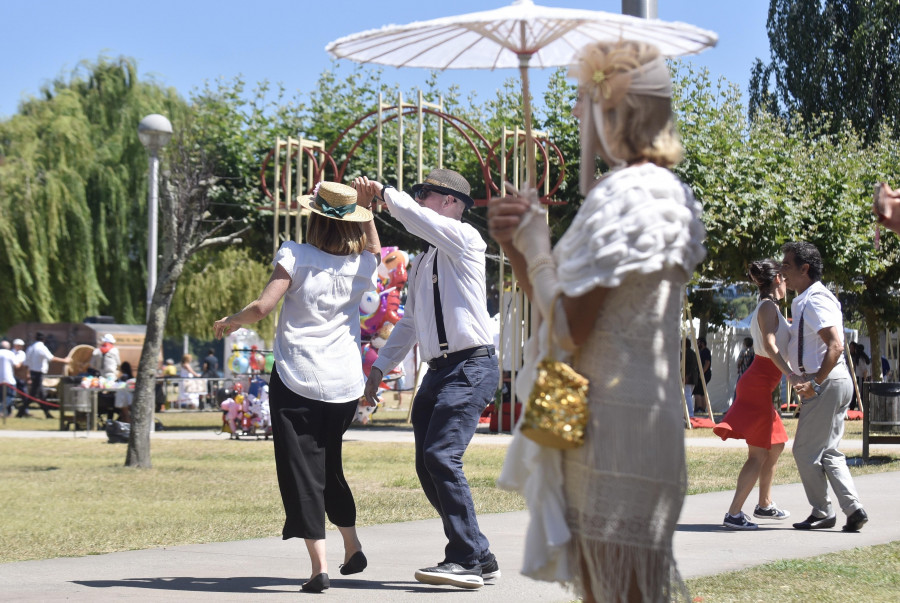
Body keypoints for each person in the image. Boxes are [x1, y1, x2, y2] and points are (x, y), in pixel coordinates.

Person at [487, 40, 706, 602]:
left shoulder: (622, 196)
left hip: (603, 426)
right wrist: (519, 250)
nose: (581, 114)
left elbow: (568, 329)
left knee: (611, 592)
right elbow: (561, 303)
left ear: (616, 111)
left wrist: (536, 247)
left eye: (588, 102)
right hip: (647, 421)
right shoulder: (672, 193)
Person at [214, 181, 380, 593]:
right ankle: (352, 544)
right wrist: (368, 208)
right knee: (329, 464)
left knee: (302, 471)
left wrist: (231, 320)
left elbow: (263, 306)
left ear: (314, 219)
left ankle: (318, 568)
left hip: (298, 377)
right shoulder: (363, 264)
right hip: (344, 383)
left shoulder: (295, 252)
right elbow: (376, 249)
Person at [355, 168, 501, 591]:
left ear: (452, 203)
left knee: (442, 457)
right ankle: (480, 554)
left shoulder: (466, 239)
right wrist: (379, 369)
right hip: (439, 372)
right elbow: (409, 325)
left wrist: (383, 194)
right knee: (427, 464)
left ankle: (465, 560)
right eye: (416, 193)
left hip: (471, 365)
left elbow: (417, 220)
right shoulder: (421, 262)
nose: (419, 201)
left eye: (426, 194)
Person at [780, 241, 868, 532]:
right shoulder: (807, 298)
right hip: (830, 380)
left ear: (805, 269)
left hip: (826, 381)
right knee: (827, 451)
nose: (783, 272)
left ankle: (823, 511)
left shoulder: (815, 299)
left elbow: (836, 346)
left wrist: (814, 384)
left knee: (805, 451)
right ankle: (852, 509)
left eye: (787, 266)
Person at [713, 260, 793, 530]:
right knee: (757, 455)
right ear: (778, 279)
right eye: (785, 278)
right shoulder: (769, 307)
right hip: (758, 384)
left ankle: (764, 505)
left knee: (777, 443)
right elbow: (770, 346)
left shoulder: (769, 307)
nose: (787, 284)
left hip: (760, 384)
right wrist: (792, 374)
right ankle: (734, 514)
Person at [23, 332, 69, 418]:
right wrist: (64, 360)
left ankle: (46, 413)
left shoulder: (30, 348)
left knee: (39, 394)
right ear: (43, 339)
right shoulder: (41, 348)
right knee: (37, 395)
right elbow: (51, 358)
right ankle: (23, 412)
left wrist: (27, 374)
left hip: (33, 372)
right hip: (38, 373)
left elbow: (26, 363)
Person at [0, 341, 21, 416]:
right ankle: (1, 410)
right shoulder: (10, 353)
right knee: (10, 396)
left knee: (2, 397)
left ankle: (8, 413)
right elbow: (17, 365)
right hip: (8, 379)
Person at [683, 339, 701, 418]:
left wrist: (687, 376)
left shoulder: (687, 353)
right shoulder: (692, 352)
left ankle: (690, 414)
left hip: (689, 377)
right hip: (693, 377)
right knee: (688, 395)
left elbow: (689, 366)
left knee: (687, 395)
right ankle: (688, 413)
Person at [694, 337, 712, 413]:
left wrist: (702, 373)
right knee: (702, 391)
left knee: (697, 391)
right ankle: (702, 409)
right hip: (703, 374)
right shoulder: (701, 351)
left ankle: (700, 408)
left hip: (704, 374)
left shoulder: (706, 351)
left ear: (702, 343)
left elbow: (707, 363)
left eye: (698, 343)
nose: (697, 344)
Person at [11, 338, 27, 412]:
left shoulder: (22, 353)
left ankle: (25, 410)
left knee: (24, 393)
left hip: (19, 376)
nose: (21, 347)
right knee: (11, 393)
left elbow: (19, 366)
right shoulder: (10, 353)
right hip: (11, 376)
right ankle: (10, 408)